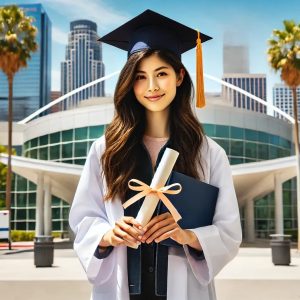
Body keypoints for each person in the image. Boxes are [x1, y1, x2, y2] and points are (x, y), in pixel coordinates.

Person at [69, 9, 242, 300]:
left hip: (183, 288)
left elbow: (228, 230)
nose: (151, 87)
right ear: (129, 82)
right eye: (140, 76)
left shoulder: (208, 153)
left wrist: (188, 236)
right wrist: (108, 234)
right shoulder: (106, 149)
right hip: (120, 289)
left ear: (179, 76)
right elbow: (84, 218)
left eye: (161, 73)